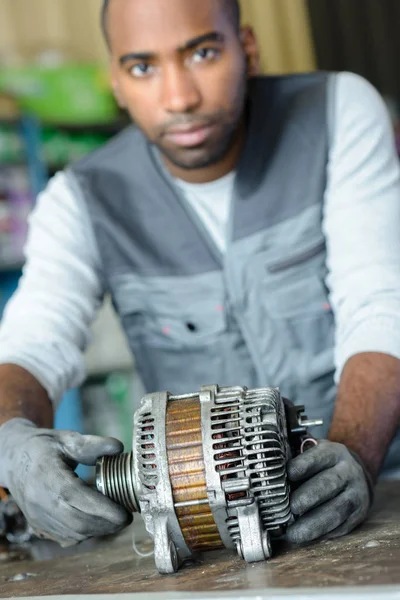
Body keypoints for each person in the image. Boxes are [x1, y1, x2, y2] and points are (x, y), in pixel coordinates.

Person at [0, 0, 399, 549]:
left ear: (248, 49)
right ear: (115, 80)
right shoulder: (82, 199)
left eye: (203, 53)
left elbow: (381, 303)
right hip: (218, 530)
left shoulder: (337, 114)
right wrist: (11, 440)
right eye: (143, 67)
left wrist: (355, 452)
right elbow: (32, 341)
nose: (180, 98)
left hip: (382, 490)